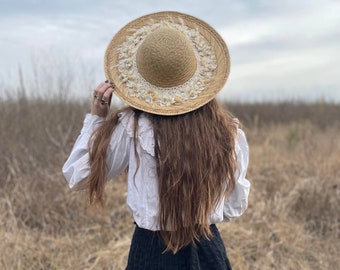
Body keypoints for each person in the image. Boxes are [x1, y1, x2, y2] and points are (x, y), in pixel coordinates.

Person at [63, 11, 250, 270]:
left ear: (144, 79)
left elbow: (78, 175)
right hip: (208, 248)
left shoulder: (131, 127)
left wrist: (96, 119)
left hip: (151, 253)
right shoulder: (227, 131)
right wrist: (198, 212)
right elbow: (234, 206)